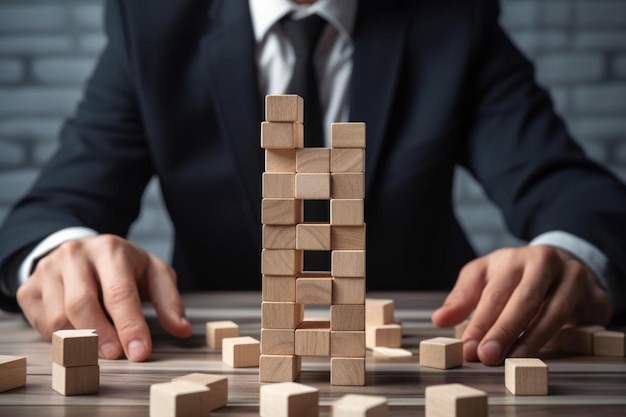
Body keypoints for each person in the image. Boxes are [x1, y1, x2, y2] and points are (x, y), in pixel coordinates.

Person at [1, 0, 625, 366]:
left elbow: (570, 188)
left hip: (429, 347)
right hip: (211, 349)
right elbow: (56, 203)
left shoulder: (452, 17)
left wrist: (576, 255)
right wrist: (58, 251)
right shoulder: (153, 22)